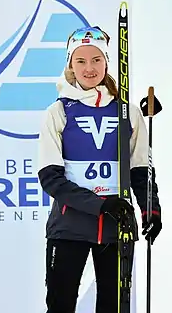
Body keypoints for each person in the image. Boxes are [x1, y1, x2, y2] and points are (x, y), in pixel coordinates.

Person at [37, 25, 162, 313]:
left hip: (116, 229)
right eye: (80, 61)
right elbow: (50, 178)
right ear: (70, 65)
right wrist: (100, 205)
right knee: (60, 305)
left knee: (114, 307)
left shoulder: (127, 112)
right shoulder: (58, 112)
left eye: (96, 60)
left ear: (106, 62)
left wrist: (150, 210)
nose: (89, 68)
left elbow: (140, 169)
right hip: (69, 227)